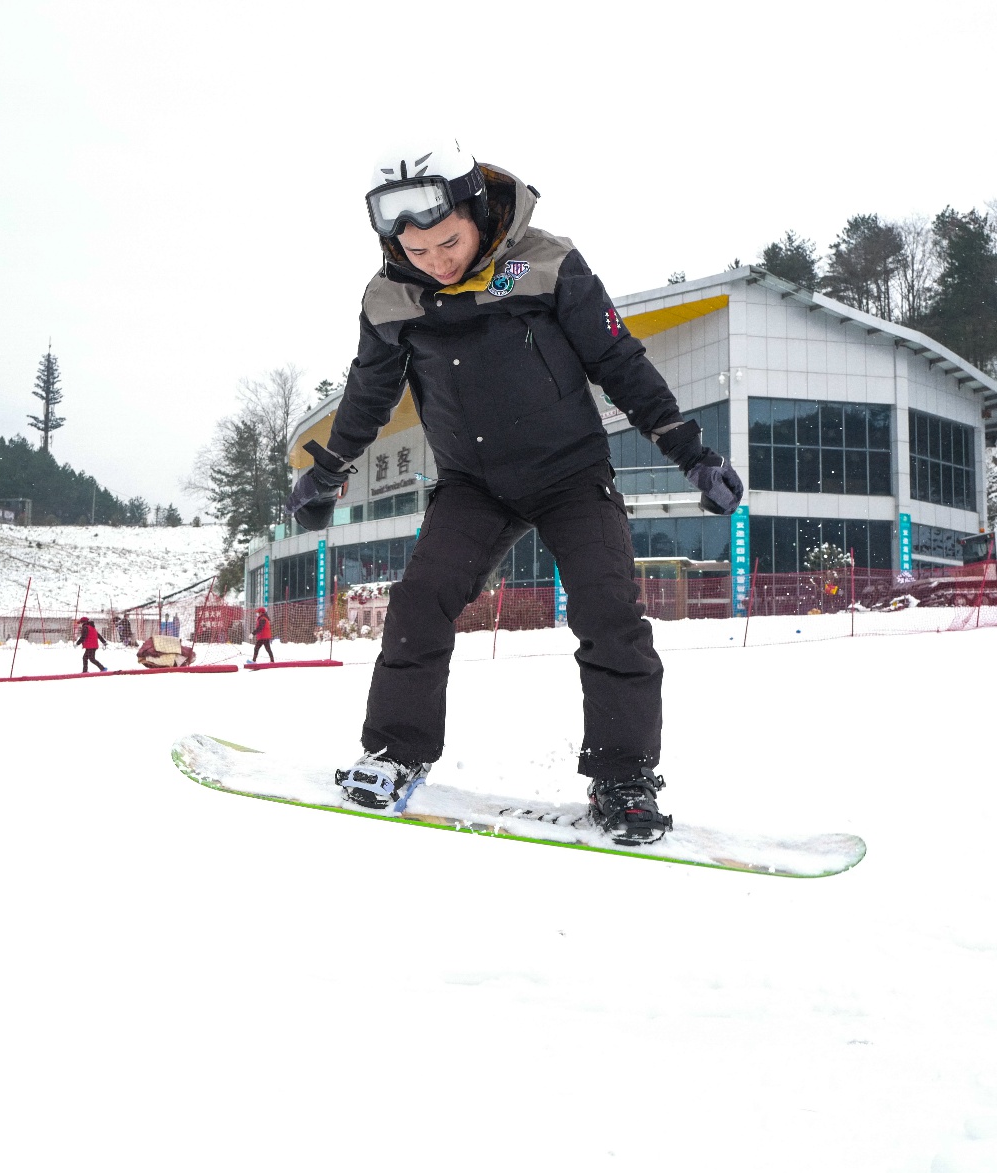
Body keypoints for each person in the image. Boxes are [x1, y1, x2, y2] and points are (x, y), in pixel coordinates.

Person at [287, 141, 742, 846]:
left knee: (608, 610)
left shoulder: (547, 263)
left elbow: (618, 361)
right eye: (417, 250)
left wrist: (692, 454)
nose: (436, 262)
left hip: (571, 476)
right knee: (420, 601)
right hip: (473, 485)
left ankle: (623, 778)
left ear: (476, 211)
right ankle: (395, 752)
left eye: (448, 243)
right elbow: (369, 394)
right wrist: (328, 469)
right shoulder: (390, 298)